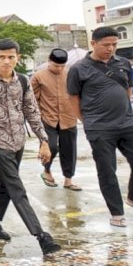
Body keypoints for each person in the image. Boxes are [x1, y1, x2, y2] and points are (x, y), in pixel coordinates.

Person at [0, 39, 62, 255]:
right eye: (1, 57)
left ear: (17, 58)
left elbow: (31, 111)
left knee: (4, 182)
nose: (6, 61)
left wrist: (43, 140)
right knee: (15, 186)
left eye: (11, 57)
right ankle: (41, 236)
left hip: (19, 140)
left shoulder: (22, 80)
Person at [67, 27, 133, 228]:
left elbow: (128, 88)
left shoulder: (123, 64)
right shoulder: (78, 69)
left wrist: (125, 110)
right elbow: (73, 97)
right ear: (93, 44)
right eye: (106, 45)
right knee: (107, 170)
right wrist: (86, 121)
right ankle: (116, 212)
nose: (110, 49)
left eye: (114, 45)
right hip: (99, 127)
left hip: (127, 123)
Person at [31, 48, 81, 191]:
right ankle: (46, 171)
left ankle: (68, 179)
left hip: (69, 117)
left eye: (62, 66)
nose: (59, 69)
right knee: (50, 147)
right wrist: (37, 118)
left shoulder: (71, 74)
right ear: (49, 61)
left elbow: (78, 94)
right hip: (47, 119)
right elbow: (32, 100)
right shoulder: (38, 77)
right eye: (55, 66)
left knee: (70, 150)